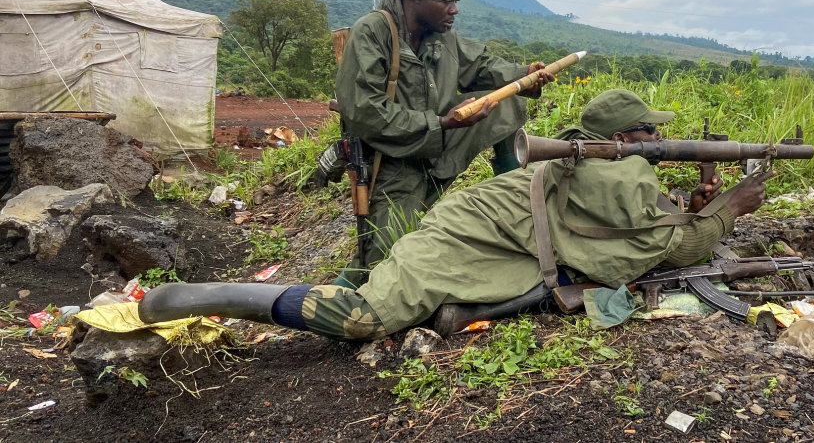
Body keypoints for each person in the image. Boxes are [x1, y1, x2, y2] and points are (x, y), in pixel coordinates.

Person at [140, 89, 773, 341]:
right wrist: (728, 211)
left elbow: (649, 228)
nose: (655, 145)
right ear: (628, 137)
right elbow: (670, 248)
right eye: (647, 136)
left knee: (387, 295)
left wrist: (698, 208)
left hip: (489, 242)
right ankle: (215, 295)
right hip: (462, 238)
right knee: (366, 319)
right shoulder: (614, 172)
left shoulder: (607, 170)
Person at [332, 0, 552, 287]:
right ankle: (327, 302)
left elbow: (479, 67)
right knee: (384, 261)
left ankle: (518, 196)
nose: (454, 9)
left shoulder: (442, 36)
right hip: (393, 163)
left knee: (501, 101)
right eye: (447, 0)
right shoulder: (373, 32)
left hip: (438, 145)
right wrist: (443, 124)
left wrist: (524, 74)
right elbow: (365, 112)